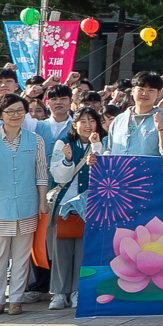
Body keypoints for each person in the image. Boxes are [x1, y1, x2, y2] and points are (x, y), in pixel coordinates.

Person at [0, 93, 51, 316]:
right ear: (0, 115)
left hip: (26, 205)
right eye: (10, 111)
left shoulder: (35, 140)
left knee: (22, 256)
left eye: (20, 111)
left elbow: (41, 173)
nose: (16, 115)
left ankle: (16, 299)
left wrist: (42, 201)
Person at [46, 108, 107, 310]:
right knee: (61, 250)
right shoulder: (63, 143)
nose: (87, 125)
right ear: (74, 124)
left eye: (92, 121)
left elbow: (107, 172)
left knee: (83, 250)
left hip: (90, 205)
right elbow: (59, 177)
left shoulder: (102, 143)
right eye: (83, 121)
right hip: (65, 204)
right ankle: (59, 293)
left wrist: (96, 147)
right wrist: (67, 161)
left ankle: (78, 291)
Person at [105, 73, 163, 157]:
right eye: (141, 89)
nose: (144, 94)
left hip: (148, 169)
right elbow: (110, 150)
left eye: (151, 90)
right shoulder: (119, 119)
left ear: (159, 93)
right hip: (120, 169)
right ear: (133, 90)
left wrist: (161, 129)